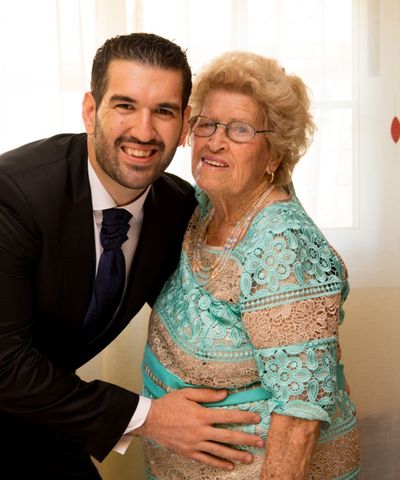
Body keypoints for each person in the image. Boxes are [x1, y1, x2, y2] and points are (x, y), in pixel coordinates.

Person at [0, 33, 264, 479]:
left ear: (186, 122)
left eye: (164, 111)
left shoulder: (178, 209)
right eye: (125, 106)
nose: (143, 131)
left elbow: (214, 295)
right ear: (90, 111)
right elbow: (2, 368)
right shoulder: (7, 196)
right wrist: (151, 417)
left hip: (27, 414)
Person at [141, 50, 361, 479]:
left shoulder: (283, 245)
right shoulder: (204, 207)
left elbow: (299, 415)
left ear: (274, 156)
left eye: (240, 129)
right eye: (206, 123)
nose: (214, 141)